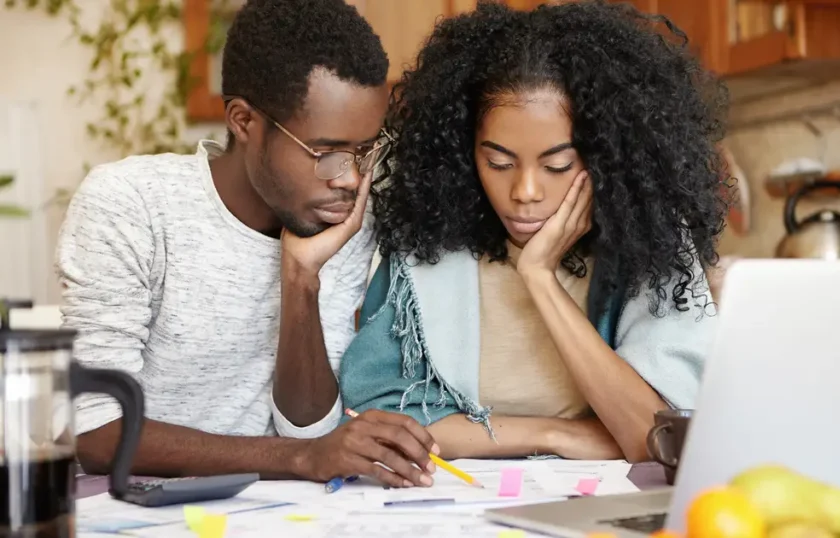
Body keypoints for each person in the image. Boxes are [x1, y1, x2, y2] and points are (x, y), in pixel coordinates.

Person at [57, 0, 438, 488]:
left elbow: (309, 430)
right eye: (326, 154)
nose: (351, 178)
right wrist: (299, 459)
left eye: (367, 150)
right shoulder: (130, 205)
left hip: (268, 512)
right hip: (131, 512)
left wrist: (302, 279)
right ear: (243, 120)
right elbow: (98, 433)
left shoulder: (340, 220)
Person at [340, 0, 729, 463]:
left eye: (557, 165)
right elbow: (376, 414)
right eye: (498, 162)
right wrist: (555, 435)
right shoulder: (426, 241)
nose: (524, 191)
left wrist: (541, 278)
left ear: (605, 156)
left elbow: (657, 440)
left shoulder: (652, 242)